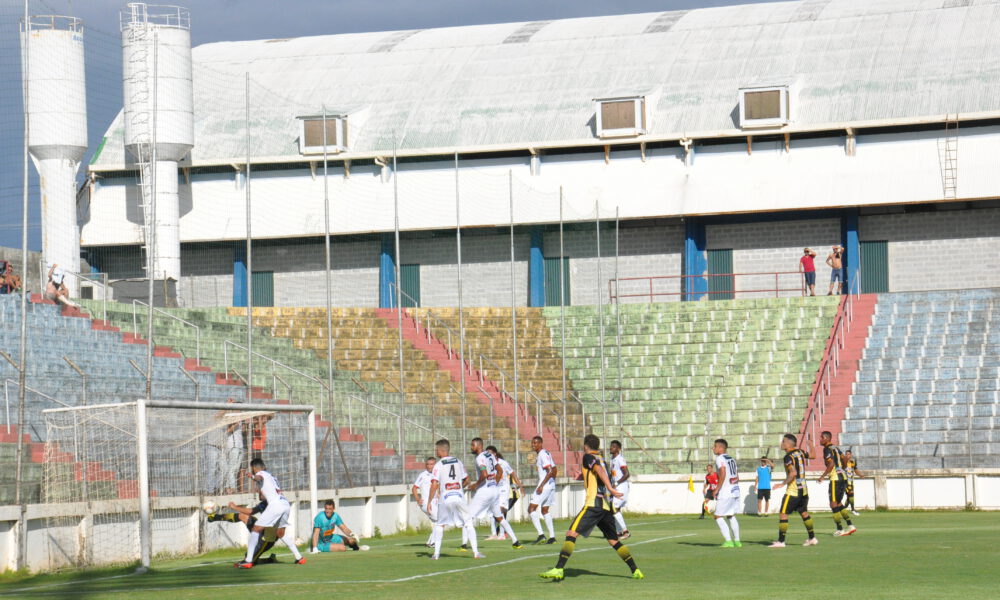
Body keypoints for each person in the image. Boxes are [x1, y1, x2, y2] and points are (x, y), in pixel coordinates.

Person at [539, 434, 643, 581]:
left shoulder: (588, 457)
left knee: (571, 533)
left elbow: (599, 471)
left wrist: (610, 488)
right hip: (605, 507)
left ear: (585, 445)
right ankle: (635, 570)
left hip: (593, 504)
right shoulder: (602, 459)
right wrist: (582, 476)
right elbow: (598, 473)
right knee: (614, 541)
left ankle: (558, 569)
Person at [236, 458, 305, 568]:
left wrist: (253, 477)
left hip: (275, 505)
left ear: (254, 468)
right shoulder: (272, 476)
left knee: (255, 529)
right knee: (280, 533)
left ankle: (248, 560)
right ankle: (299, 557)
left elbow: (259, 477)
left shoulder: (261, 473)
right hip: (285, 504)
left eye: (252, 469)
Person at [427, 438, 483, 559]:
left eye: (437, 450)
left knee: (440, 524)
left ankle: (436, 554)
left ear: (441, 450)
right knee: (468, 523)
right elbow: (467, 480)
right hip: (459, 496)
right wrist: (458, 488)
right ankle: (476, 552)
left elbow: (434, 484)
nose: (436, 452)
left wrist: (429, 501)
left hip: (445, 497)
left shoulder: (439, 465)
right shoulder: (458, 461)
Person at [467, 437, 522, 549]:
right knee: (500, 517)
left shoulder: (480, 458)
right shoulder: (490, 455)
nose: (471, 447)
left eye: (473, 445)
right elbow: (500, 470)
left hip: (485, 491)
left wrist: (475, 485)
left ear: (478, 445)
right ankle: (515, 541)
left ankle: (465, 546)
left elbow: (484, 474)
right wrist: (494, 482)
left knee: (468, 517)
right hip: (494, 490)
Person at [770, 434, 818, 548]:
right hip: (804, 489)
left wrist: (782, 484)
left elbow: (793, 473)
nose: (781, 443)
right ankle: (812, 538)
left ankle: (781, 541)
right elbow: (813, 455)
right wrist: (811, 445)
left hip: (794, 490)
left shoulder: (788, 457)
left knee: (783, 514)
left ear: (788, 443)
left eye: (783, 441)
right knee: (804, 512)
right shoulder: (800, 452)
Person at [207, 500, 279, 565]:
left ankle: (269, 560)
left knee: (248, 560)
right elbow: (251, 510)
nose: (258, 491)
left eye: (260, 490)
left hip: (267, 539)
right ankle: (215, 517)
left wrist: (235, 507)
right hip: (261, 530)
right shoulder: (264, 503)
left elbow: (250, 511)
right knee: (243, 516)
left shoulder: (275, 504)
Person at [817, 431, 857, 537]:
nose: (820, 439)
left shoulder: (827, 449)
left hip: (835, 479)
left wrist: (822, 476)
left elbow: (831, 464)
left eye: (821, 437)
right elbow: (845, 459)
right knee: (838, 503)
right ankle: (850, 525)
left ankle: (840, 529)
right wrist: (841, 469)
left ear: (826, 438)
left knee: (833, 503)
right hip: (843, 477)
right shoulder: (836, 448)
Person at [486, 446, 523, 541]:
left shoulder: (503, 463)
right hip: (494, 489)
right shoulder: (488, 464)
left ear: (495, 453)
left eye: (490, 453)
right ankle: (494, 533)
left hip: (503, 490)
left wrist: (520, 485)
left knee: (500, 511)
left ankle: (502, 534)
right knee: (492, 512)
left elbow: (512, 473)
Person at [527, 435, 558, 544]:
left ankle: (541, 535)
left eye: (535, 443)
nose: (533, 445)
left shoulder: (542, 455)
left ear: (541, 443)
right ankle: (552, 537)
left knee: (531, 509)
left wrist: (542, 485)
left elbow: (550, 471)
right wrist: (552, 482)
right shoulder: (546, 453)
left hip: (544, 486)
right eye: (532, 443)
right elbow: (554, 469)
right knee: (544, 510)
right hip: (551, 485)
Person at [711, 439, 742, 547]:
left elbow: (723, 473)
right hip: (735, 490)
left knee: (718, 516)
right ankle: (737, 541)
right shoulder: (731, 459)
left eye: (714, 446)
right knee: (731, 515)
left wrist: (717, 489)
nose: (713, 448)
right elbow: (737, 476)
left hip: (726, 491)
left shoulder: (720, 458)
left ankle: (728, 541)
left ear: (720, 448)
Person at [412, 457, 436, 547]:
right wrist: (418, 499)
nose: (429, 466)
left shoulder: (437, 474)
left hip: (435, 503)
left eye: (431, 464)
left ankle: (430, 542)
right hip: (426, 503)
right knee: (440, 521)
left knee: (436, 522)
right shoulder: (423, 475)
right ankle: (432, 542)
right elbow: (414, 488)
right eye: (427, 464)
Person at [609, 440, 631, 539]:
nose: (611, 448)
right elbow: (613, 475)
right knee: (614, 509)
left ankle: (626, 532)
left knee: (614, 508)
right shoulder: (612, 459)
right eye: (611, 446)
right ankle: (618, 533)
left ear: (618, 449)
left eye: (613, 446)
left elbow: (627, 474)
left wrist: (617, 483)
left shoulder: (620, 459)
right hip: (616, 487)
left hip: (621, 486)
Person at [844, 450, 864, 515]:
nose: (847, 455)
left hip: (851, 481)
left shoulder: (853, 461)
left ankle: (843, 509)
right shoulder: (843, 461)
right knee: (851, 494)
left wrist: (860, 474)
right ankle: (853, 510)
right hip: (845, 481)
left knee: (849, 496)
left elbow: (855, 469)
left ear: (851, 455)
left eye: (848, 454)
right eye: (846, 454)